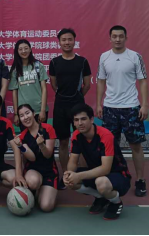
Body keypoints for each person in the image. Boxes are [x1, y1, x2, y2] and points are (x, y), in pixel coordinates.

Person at [96, 25, 149, 197]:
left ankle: (140, 180)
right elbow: (101, 81)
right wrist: (99, 104)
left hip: (131, 108)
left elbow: (142, 81)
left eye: (120, 36)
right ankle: (114, 178)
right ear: (110, 38)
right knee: (110, 146)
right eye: (114, 36)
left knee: (136, 145)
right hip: (110, 108)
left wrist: (144, 105)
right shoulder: (104, 57)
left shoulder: (135, 56)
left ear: (126, 38)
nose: (117, 39)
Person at [64, 104, 132, 222]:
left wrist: (78, 175)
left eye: (83, 119)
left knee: (101, 183)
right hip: (96, 174)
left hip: (119, 175)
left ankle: (116, 202)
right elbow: (73, 161)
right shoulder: (76, 135)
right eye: (76, 120)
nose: (80, 123)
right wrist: (68, 174)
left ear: (91, 119)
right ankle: (101, 197)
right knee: (70, 181)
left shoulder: (105, 136)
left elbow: (105, 169)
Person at [49, 28, 92, 189]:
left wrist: (77, 97)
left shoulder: (82, 62)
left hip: (78, 106)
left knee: (82, 139)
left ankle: (85, 176)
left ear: (74, 41)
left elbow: (87, 85)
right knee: (63, 142)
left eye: (70, 39)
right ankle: (66, 175)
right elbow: (54, 84)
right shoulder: (54, 62)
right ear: (59, 42)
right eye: (64, 40)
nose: (67, 42)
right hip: (60, 106)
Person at [16, 104, 58, 212]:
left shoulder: (47, 129)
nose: (25, 117)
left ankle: (42, 191)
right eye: (21, 116)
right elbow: (32, 158)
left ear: (34, 113)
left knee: (46, 206)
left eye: (27, 113)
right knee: (33, 182)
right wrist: (20, 146)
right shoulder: (22, 136)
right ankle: (36, 188)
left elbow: (48, 155)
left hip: (49, 171)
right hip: (33, 171)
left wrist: (42, 145)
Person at [10, 40, 49, 129]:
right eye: (20, 49)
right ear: (17, 51)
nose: (23, 51)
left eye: (26, 48)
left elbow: (44, 89)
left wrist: (43, 110)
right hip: (23, 112)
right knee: (26, 137)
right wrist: (16, 114)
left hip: (39, 110)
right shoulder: (15, 69)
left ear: (30, 49)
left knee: (41, 136)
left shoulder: (38, 66)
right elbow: (14, 93)